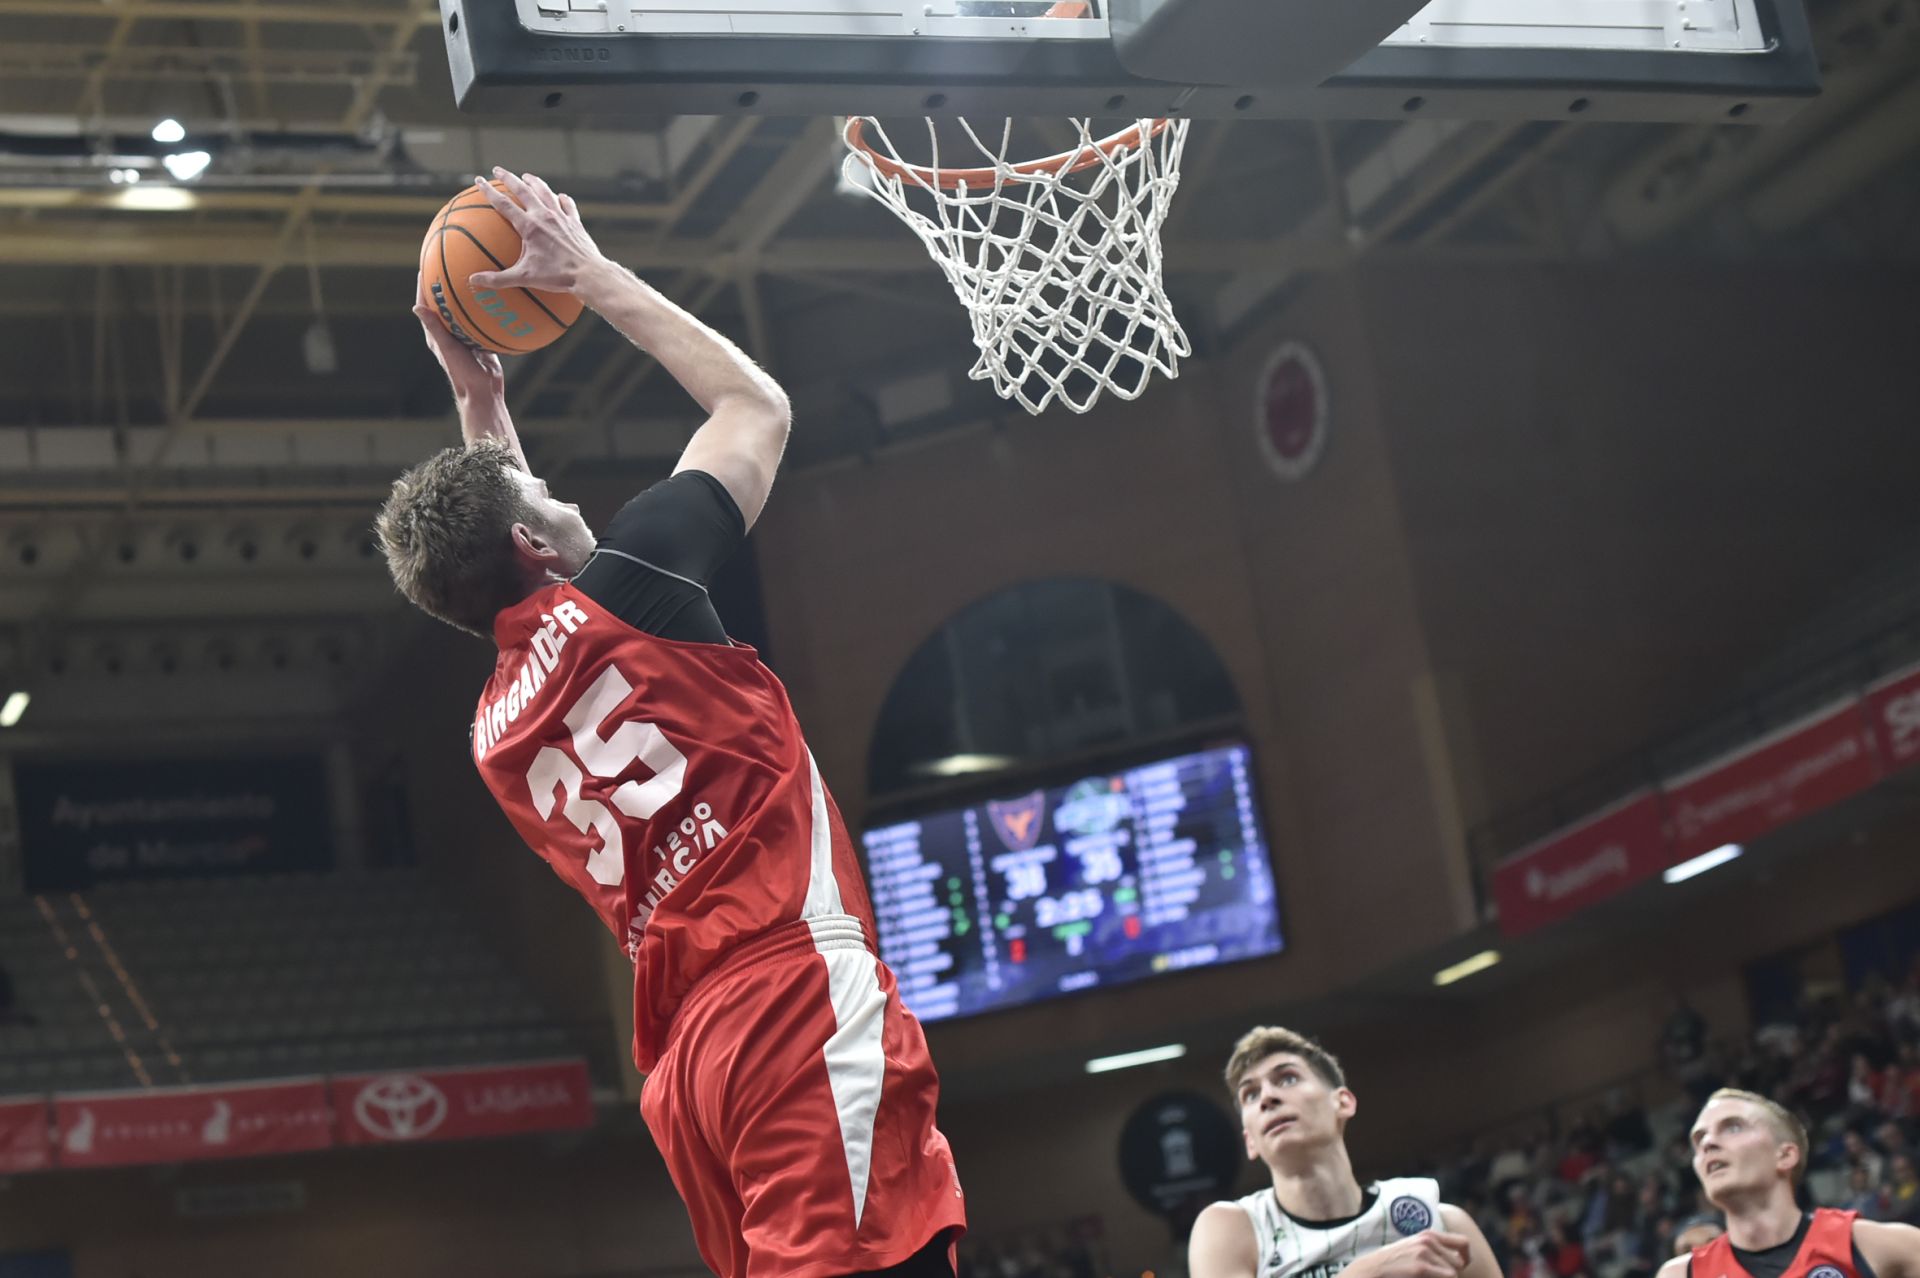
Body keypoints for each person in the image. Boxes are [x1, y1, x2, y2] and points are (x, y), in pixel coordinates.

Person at [377, 167, 965, 1278]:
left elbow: (517, 561)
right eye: (548, 505)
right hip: (791, 991)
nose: (566, 499)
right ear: (537, 552)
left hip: (690, 1066)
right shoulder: (631, 586)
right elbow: (756, 408)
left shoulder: (496, 733)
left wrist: (482, 409)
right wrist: (589, 277)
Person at [1188, 1025, 1503, 1278]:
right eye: (1251, 1094)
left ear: (1343, 1102)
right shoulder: (1231, 1229)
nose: (1267, 1097)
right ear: (1250, 1141)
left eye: (1287, 1078)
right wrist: (1367, 1272)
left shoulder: (1438, 1219)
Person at [1657, 1088, 1920, 1278]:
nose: (1707, 1143)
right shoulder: (1681, 1275)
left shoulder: (1868, 1244)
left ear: (1785, 1155)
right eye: (1699, 1138)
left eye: (1733, 1127)